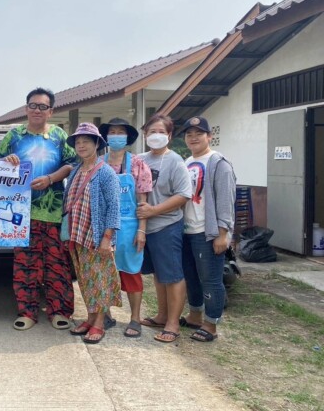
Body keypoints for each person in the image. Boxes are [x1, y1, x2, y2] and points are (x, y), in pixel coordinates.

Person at [0, 87, 77, 331]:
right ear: (26, 108)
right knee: (26, 264)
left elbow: (72, 164)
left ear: (50, 111)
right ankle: (27, 312)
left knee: (56, 263)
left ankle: (59, 311)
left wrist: (51, 179)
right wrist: (5, 161)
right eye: (33, 105)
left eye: (43, 106)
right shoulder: (14, 136)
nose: (37, 110)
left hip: (53, 211)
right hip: (20, 213)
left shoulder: (59, 135)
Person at [179, 116, 236, 342]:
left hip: (207, 231)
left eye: (199, 134)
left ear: (209, 136)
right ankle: (195, 315)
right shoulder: (186, 162)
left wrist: (223, 233)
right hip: (186, 230)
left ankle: (211, 324)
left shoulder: (218, 163)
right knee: (191, 276)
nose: (193, 138)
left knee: (210, 279)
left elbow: (226, 200)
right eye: (189, 134)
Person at [136, 113, 192, 343]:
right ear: (145, 135)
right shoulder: (139, 159)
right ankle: (161, 315)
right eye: (152, 132)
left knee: (173, 275)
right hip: (145, 226)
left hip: (166, 225)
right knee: (159, 274)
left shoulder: (175, 161)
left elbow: (183, 195)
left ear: (169, 135)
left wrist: (154, 211)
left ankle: (173, 324)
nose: (156, 136)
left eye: (161, 132)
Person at [64, 123, 121, 344]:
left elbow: (114, 207)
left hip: (97, 237)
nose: (81, 145)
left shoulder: (105, 172)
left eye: (86, 141)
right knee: (86, 279)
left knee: (100, 280)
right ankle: (90, 318)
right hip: (78, 235)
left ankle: (99, 323)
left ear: (97, 144)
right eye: (78, 142)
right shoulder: (76, 170)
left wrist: (107, 238)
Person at [99, 117, 153, 338]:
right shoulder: (99, 163)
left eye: (120, 132)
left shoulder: (138, 164)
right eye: (112, 132)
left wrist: (142, 230)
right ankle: (105, 315)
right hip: (103, 228)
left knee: (131, 272)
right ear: (106, 137)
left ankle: (135, 318)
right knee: (103, 272)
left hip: (129, 227)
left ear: (127, 137)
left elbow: (143, 203)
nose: (116, 136)